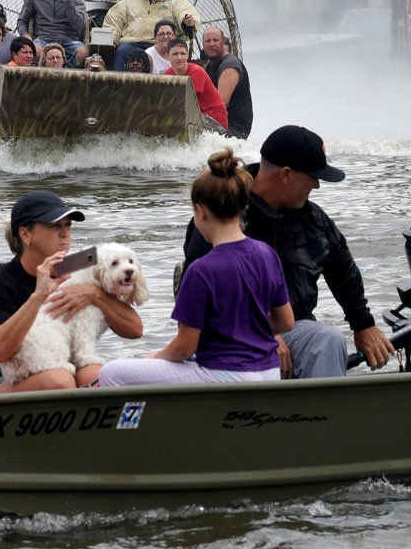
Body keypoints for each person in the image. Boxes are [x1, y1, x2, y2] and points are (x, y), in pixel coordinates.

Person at [183, 125, 395, 379]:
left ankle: (323, 416)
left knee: (329, 340)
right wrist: (263, 334)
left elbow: (343, 271)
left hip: (294, 328)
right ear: (285, 175)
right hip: (228, 334)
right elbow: (200, 292)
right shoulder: (224, 209)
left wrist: (364, 325)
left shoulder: (314, 219)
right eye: (313, 176)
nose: (317, 185)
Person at [99, 149, 292, 387]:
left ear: (200, 211)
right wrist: (244, 330)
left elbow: (184, 347)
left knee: (112, 372)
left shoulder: (202, 270)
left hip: (224, 375)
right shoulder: (267, 254)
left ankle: (140, 424)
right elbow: (285, 322)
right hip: (268, 371)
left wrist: (155, 357)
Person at [0, 190, 143, 393]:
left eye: (68, 225)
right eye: (54, 226)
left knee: (102, 376)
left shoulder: (81, 263)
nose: (65, 233)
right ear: (25, 234)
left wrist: (95, 295)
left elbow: (135, 330)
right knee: (60, 381)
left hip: (66, 365)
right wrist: (38, 297)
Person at [102, 0, 199, 70]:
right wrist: (109, 42)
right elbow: (112, 23)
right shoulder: (126, 3)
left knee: (168, 51)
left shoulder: (175, 1)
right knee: (122, 50)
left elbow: (185, 13)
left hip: (161, 45)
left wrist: (187, 21)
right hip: (131, 45)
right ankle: (117, 84)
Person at [18, 0, 89, 67]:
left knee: (83, 52)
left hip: (69, 40)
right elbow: (22, 20)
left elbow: (79, 24)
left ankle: (65, 70)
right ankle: (49, 71)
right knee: (34, 51)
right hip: (43, 40)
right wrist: (25, 35)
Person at [200, 27, 254, 140]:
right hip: (218, 123)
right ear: (203, 44)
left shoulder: (230, 65)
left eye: (216, 40)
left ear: (223, 42)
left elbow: (220, 105)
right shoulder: (209, 65)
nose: (211, 44)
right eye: (208, 41)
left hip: (234, 129)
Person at [163, 40, 228, 130]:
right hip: (196, 116)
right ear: (167, 56)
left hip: (215, 120)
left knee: (174, 118)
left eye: (182, 54)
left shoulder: (196, 72)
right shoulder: (168, 73)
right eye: (175, 54)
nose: (179, 57)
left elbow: (186, 102)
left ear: (187, 55)